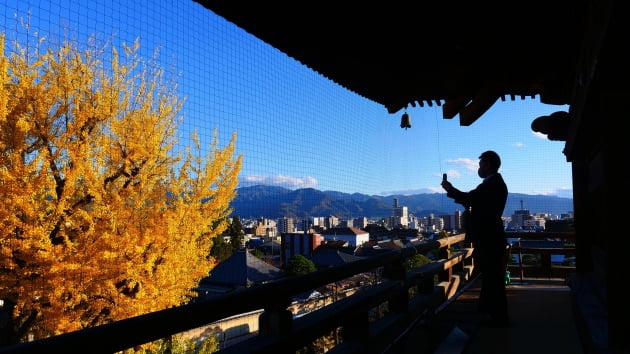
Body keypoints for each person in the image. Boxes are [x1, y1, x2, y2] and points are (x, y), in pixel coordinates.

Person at [441, 150, 510, 327]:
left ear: (487, 165)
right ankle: (493, 315)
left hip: (489, 239)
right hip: (492, 238)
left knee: (492, 279)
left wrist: (450, 189)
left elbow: (470, 198)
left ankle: (497, 317)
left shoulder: (491, 184)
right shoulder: (495, 184)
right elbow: (475, 201)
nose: (478, 168)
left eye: (480, 165)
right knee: (492, 279)